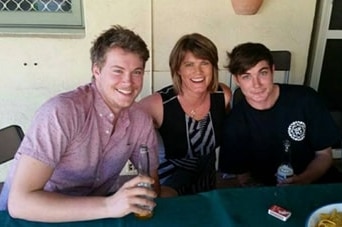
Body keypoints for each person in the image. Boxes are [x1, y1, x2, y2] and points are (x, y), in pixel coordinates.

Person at [0, 25, 160, 222]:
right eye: (118, 71)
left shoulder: (140, 120)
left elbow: (152, 185)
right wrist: (110, 205)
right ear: (97, 70)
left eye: (137, 72)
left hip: (94, 213)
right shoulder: (62, 112)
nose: (128, 82)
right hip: (29, 218)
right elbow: (20, 204)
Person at [219, 42, 342, 187]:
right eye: (247, 76)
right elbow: (244, 178)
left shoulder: (306, 99)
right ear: (237, 80)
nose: (256, 84)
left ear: (272, 70)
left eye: (263, 73)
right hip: (271, 193)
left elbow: (324, 155)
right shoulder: (234, 123)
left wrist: (304, 179)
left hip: (318, 184)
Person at [139, 33, 231, 196]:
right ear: (178, 69)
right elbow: (126, 132)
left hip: (207, 186)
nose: (198, 72)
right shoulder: (156, 105)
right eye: (189, 64)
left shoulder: (223, 95)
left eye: (205, 63)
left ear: (213, 67)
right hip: (168, 188)